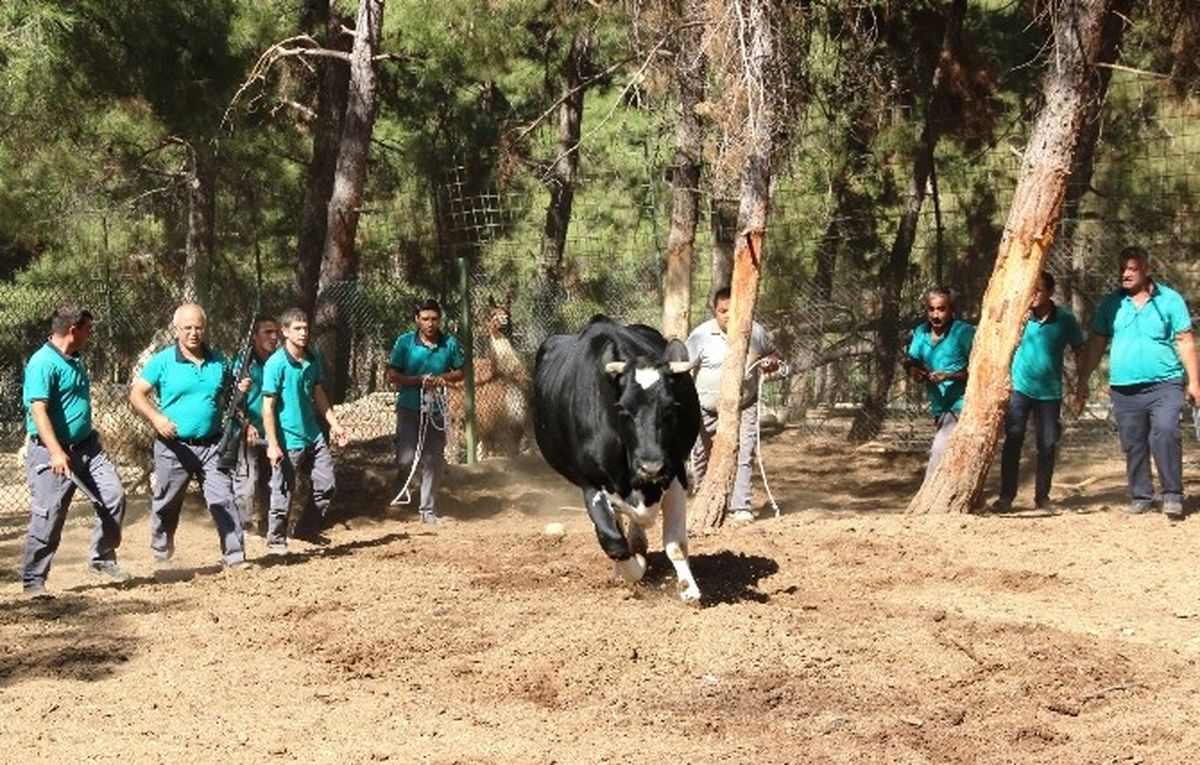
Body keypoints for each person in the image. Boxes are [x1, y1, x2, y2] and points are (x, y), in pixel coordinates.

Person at [1075, 246, 1200, 520]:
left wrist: (1195, 382)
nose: (1126, 274)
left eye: (1132, 269)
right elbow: (1097, 342)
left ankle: (1172, 496)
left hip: (1165, 383)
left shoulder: (1170, 300)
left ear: (1146, 269)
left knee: (1166, 432)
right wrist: (1083, 379)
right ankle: (1142, 495)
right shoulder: (1111, 303)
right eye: (1122, 269)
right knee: (1133, 443)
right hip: (1124, 388)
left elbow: (1185, 340)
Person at [20, 305, 128, 596]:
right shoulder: (42, 363)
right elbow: (39, 411)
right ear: (73, 330)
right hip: (51, 452)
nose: (90, 336)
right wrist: (56, 452)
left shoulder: (74, 359)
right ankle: (33, 580)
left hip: (88, 449)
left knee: (114, 495)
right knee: (50, 514)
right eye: (88, 330)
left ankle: (102, 557)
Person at [129, 303, 247, 569]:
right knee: (168, 502)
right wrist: (157, 418)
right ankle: (162, 554)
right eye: (187, 328)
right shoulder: (161, 361)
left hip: (212, 444)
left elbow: (229, 394)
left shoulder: (219, 361)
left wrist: (240, 388)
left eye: (198, 327)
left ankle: (235, 555)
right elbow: (136, 395)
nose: (194, 333)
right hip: (174, 447)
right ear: (176, 330)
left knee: (222, 498)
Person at [685, 286, 780, 522]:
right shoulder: (700, 335)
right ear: (715, 311)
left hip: (744, 404)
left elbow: (775, 356)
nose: (728, 315)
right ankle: (704, 499)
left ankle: (741, 507)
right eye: (722, 310)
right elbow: (683, 367)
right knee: (701, 454)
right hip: (705, 407)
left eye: (733, 309)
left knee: (744, 452)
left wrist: (771, 363)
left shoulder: (755, 331)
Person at [992, 272, 1085, 512]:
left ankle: (1042, 497)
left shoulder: (1065, 319)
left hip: (1049, 394)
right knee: (1013, 440)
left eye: (1039, 290)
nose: (1033, 295)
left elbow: (1079, 350)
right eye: (1030, 289)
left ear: (1050, 292)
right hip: (1019, 390)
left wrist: (1081, 383)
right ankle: (1006, 497)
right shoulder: (1018, 317)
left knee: (1047, 444)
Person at [260, 308, 348, 551]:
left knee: (326, 485)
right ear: (285, 332)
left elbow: (318, 393)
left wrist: (335, 424)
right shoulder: (275, 364)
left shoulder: (313, 357)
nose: (303, 332)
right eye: (297, 328)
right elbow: (268, 407)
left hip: (314, 435)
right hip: (288, 440)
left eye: (306, 328)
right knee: (282, 492)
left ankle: (306, 531)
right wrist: (273, 444)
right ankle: (276, 539)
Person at [387, 299, 465, 525]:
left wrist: (443, 378)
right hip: (410, 407)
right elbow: (393, 374)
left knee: (434, 459)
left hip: (437, 410)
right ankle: (403, 479)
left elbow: (460, 372)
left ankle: (427, 510)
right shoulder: (404, 343)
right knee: (406, 458)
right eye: (425, 319)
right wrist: (418, 381)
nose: (430, 324)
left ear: (439, 320)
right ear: (417, 320)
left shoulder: (449, 343)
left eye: (434, 319)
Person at [904, 285, 976, 479]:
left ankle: (928, 495)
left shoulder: (964, 333)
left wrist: (949, 376)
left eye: (941, 309)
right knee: (951, 456)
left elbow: (979, 371)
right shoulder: (921, 332)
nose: (936, 315)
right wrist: (915, 372)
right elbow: (911, 360)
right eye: (931, 309)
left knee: (938, 450)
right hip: (938, 407)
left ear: (951, 310)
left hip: (961, 405)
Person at [232, 315, 279, 537]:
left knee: (271, 480)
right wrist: (246, 425)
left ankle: (269, 526)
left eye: (275, 332)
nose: (273, 337)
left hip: (273, 432)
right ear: (254, 336)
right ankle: (242, 527)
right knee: (247, 480)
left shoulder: (277, 361)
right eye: (267, 332)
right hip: (249, 430)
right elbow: (232, 400)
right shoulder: (244, 363)